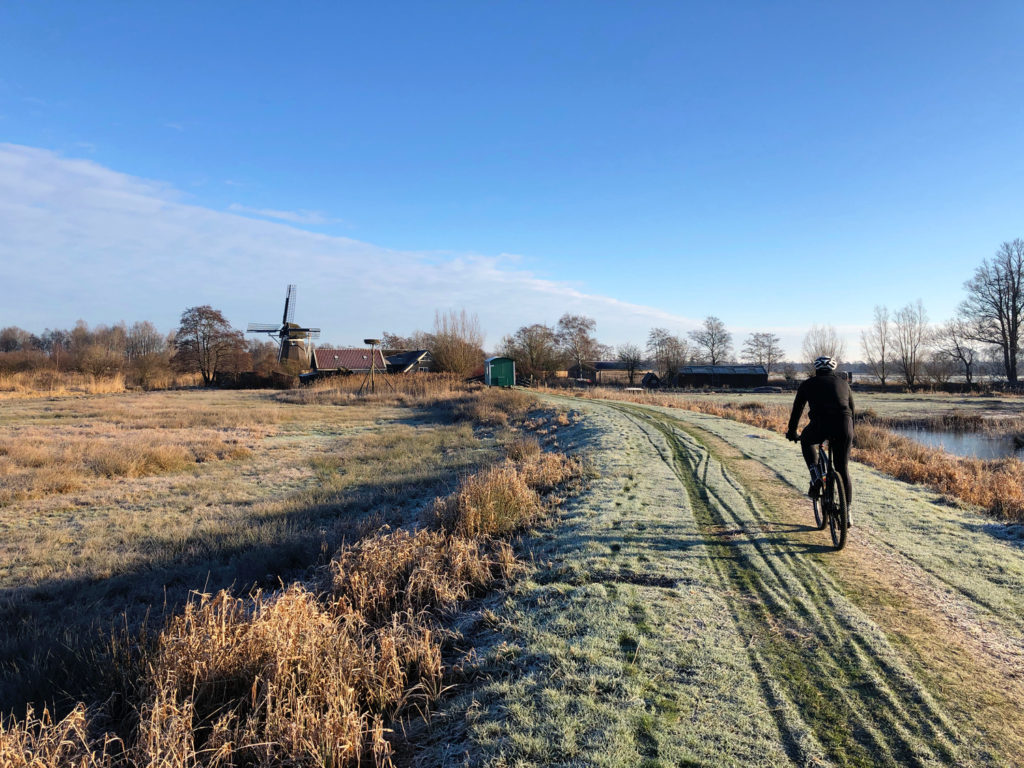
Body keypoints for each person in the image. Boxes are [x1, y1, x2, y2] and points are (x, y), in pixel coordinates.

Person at [785, 356, 855, 515]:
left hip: (820, 425)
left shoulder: (807, 384)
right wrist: (851, 434)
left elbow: (797, 410)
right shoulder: (844, 384)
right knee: (842, 468)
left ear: (816, 369)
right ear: (833, 369)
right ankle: (847, 512)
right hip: (844, 426)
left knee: (806, 440)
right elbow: (852, 411)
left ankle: (816, 476)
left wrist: (792, 432)